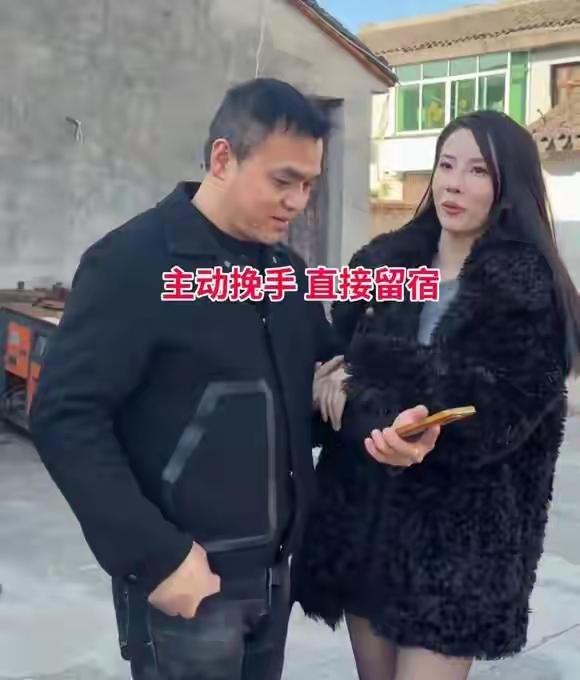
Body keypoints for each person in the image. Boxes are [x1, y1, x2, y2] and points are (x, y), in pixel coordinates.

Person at [29, 77, 438, 680]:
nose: (297, 201)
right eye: (282, 180)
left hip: (273, 572)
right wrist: (156, 556)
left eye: (308, 184)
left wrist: (389, 427)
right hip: (187, 580)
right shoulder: (134, 263)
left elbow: (326, 378)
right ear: (223, 158)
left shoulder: (284, 273)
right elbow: (64, 416)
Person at [292, 109, 580, 680]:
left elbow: (487, 417)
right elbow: (331, 366)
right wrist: (326, 380)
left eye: (477, 171)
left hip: (459, 548)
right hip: (365, 523)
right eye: (446, 165)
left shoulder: (531, 293)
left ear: (508, 186)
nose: (454, 183)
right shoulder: (383, 265)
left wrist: (361, 382)